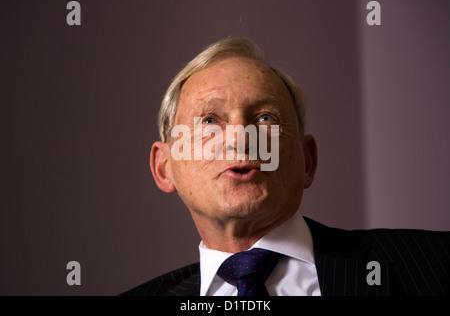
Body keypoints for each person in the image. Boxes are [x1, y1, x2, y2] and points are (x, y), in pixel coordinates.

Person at [122, 36, 450, 296]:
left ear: (307, 161)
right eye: (209, 120)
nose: (241, 139)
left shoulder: (435, 265)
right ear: (165, 168)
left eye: (266, 118)